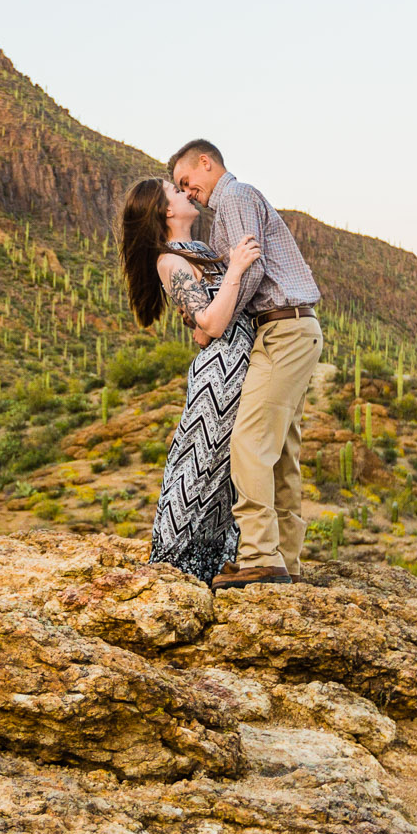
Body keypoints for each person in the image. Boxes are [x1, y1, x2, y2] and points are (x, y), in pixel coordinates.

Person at [168, 139, 323, 588]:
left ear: (206, 162)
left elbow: (250, 271)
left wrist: (212, 324)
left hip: (280, 329)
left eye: (187, 181)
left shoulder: (233, 197)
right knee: (280, 454)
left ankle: (258, 555)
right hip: (296, 328)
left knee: (250, 443)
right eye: (180, 188)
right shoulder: (237, 202)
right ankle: (285, 559)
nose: (188, 190)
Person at [117, 178, 263, 586]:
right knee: (199, 469)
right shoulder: (170, 261)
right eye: (176, 192)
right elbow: (213, 322)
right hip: (220, 375)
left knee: (227, 471)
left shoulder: (199, 250)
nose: (187, 194)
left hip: (239, 365)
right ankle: (176, 569)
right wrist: (235, 267)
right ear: (166, 212)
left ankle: (216, 567)